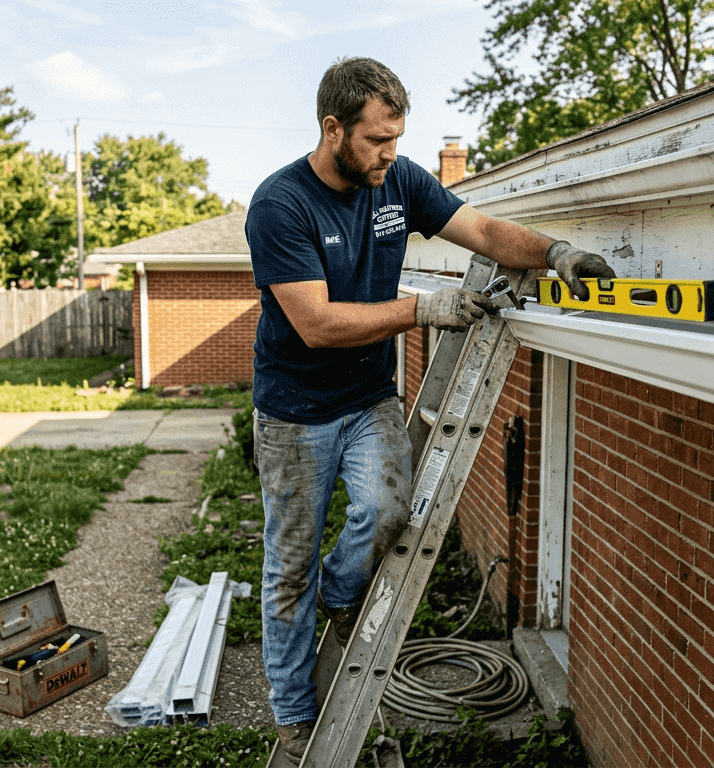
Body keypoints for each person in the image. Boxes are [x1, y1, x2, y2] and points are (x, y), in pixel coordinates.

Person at [245, 56, 615, 763]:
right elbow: (316, 324)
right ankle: (294, 719)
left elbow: (482, 232)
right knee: (287, 568)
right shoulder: (281, 205)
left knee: (388, 511)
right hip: (294, 412)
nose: (390, 153)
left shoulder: (401, 180)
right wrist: (425, 308)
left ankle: (343, 588)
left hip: (366, 398)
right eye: (377, 140)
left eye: (396, 137)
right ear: (333, 129)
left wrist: (556, 251)